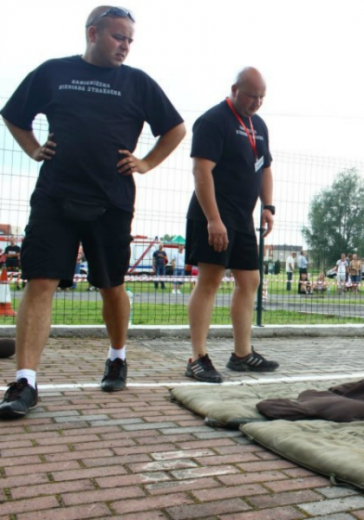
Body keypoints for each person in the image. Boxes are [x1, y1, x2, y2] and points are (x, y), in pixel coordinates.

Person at [0, 6, 186, 418]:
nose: (125, 46)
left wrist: (146, 162)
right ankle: (25, 382)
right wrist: (33, 148)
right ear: (92, 33)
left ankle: (117, 355)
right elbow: (14, 115)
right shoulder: (53, 72)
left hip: (111, 199)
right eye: (119, 37)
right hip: (55, 196)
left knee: (111, 284)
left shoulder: (137, 83)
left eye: (130, 40)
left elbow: (175, 128)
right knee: (39, 280)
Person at [185, 67, 278, 383]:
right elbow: (201, 171)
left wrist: (267, 206)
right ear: (235, 89)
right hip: (213, 216)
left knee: (250, 281)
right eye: (252, 96)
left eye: (262, 97)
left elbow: (264, 168)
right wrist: (213, 219)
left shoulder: (259, 125)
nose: (257, 103)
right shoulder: (214, 121)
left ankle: (242, 354)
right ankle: (197, 356)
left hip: (243, 217)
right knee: (209, 281)